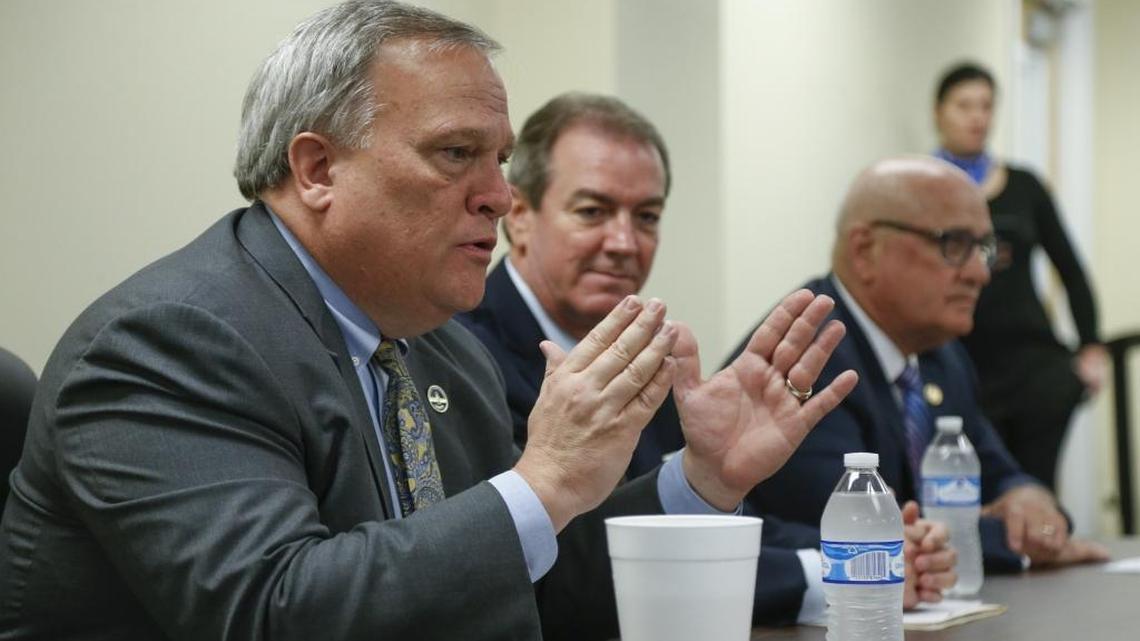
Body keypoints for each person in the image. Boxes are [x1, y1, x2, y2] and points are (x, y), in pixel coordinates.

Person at [0, 2, 859, 640]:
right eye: (457, 154)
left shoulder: (442, 348)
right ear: (316, 167)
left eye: (499, 158)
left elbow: (527, 589)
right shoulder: (167, 340)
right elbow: (274, 612)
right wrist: (544, 480)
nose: (499, 193)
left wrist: (699, 479)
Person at [458, 92, 958, 624]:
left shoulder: (649, 350)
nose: (624, 242)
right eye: (593, 211)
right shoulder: (465, 356)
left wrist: (862, 552)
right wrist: (832, 572)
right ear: (521, 216)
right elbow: (551, 567)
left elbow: (704, 518)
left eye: (647, 216)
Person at [730, 156, 1109, 574]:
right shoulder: (804, 357)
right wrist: (1018, 538)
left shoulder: (941, 357)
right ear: (864, 250)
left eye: (983, 249)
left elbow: (994, 469)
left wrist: (1028, 497)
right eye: (954, 244)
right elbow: (864, 531)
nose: (980, 274)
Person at [932, 62, 1108, 491]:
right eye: (965, 105)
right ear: (939, 113)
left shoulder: (1025, 186)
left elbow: (1071, 269)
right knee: (976, 494)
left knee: (1036, 491)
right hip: (964, 366)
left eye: (987, 106)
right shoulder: (927, 188)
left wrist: (1090, 346)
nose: (978, 117)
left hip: (1034, 368)